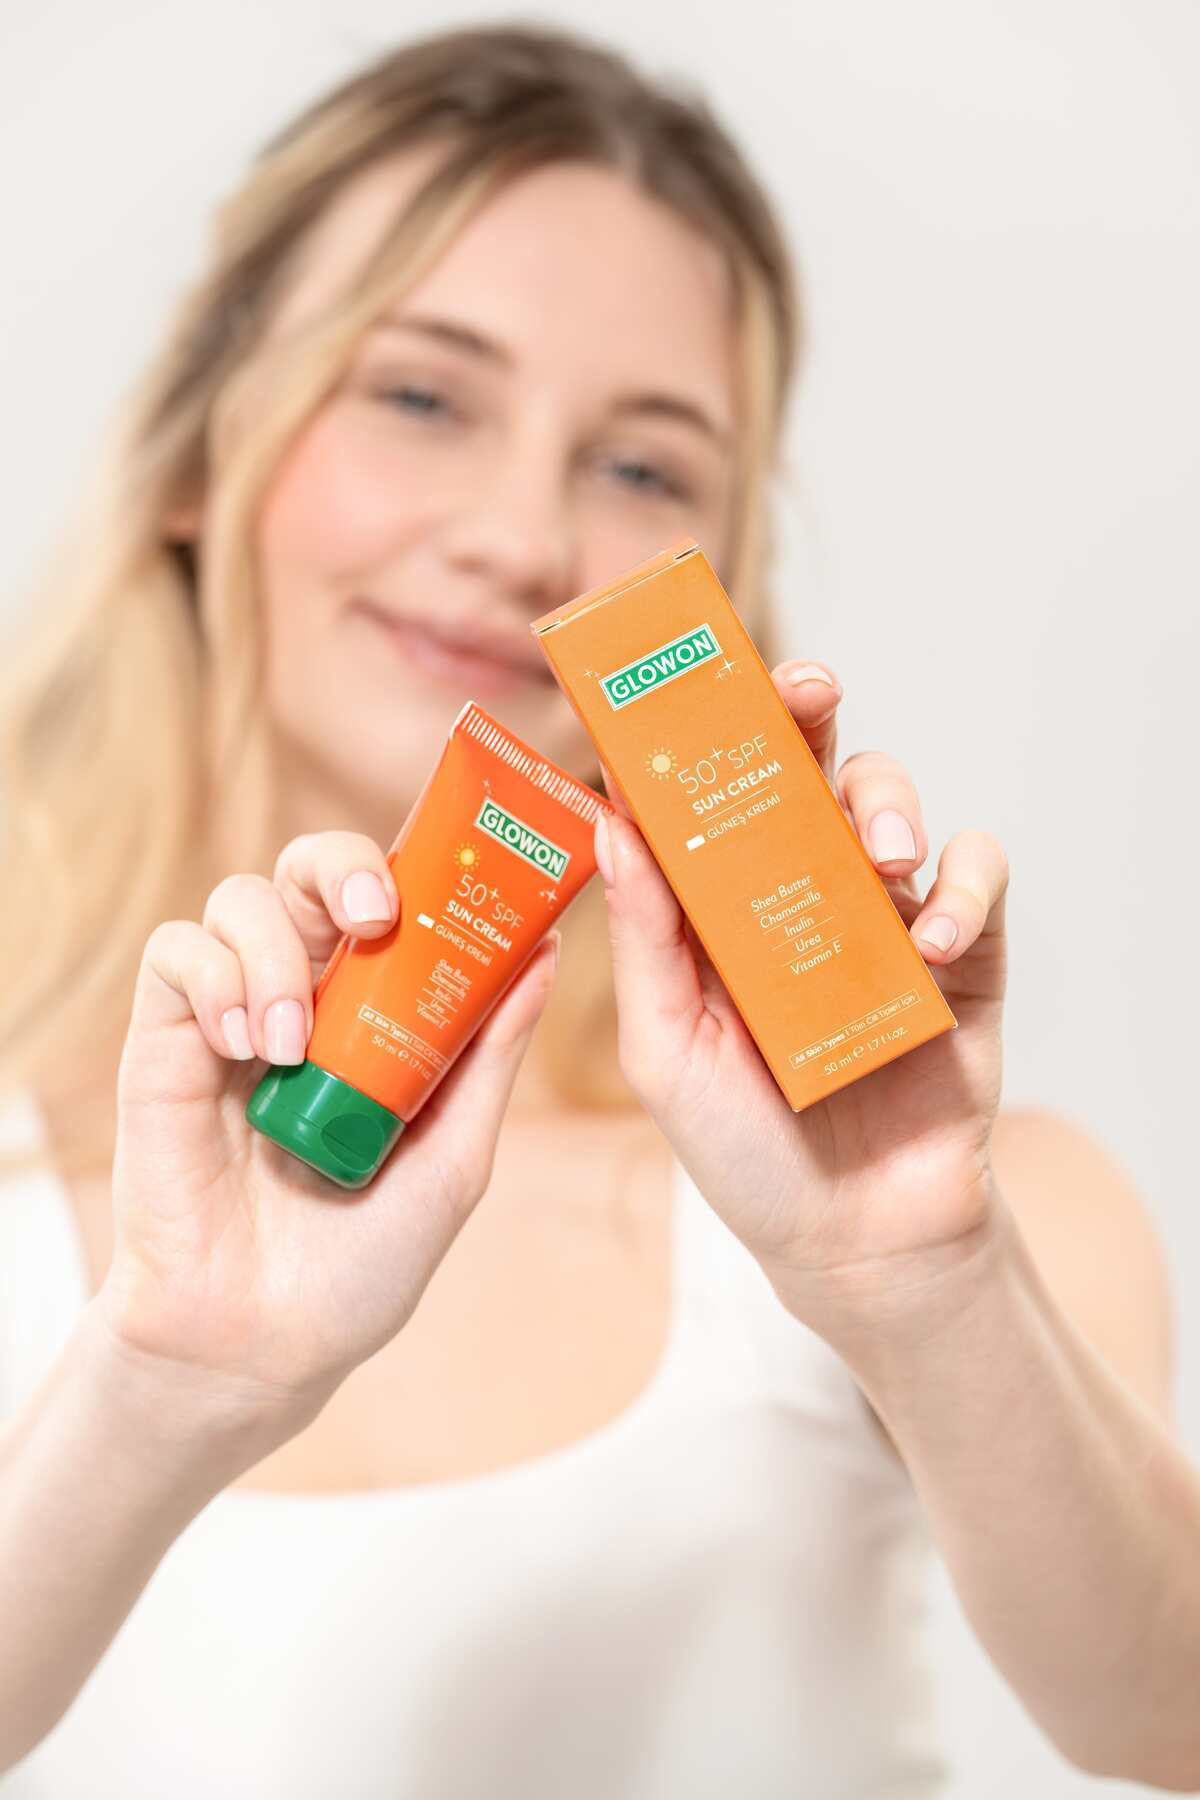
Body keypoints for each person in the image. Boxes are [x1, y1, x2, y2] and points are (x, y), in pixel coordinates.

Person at [0, 23, 1195, 1797]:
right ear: (195, 450)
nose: (523, 536)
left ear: (712, 589)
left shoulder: (920, 1191)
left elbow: (1165, 1716)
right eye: (422, 396)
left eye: (643, 468)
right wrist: (162, 1386)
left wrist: (926, 1284)